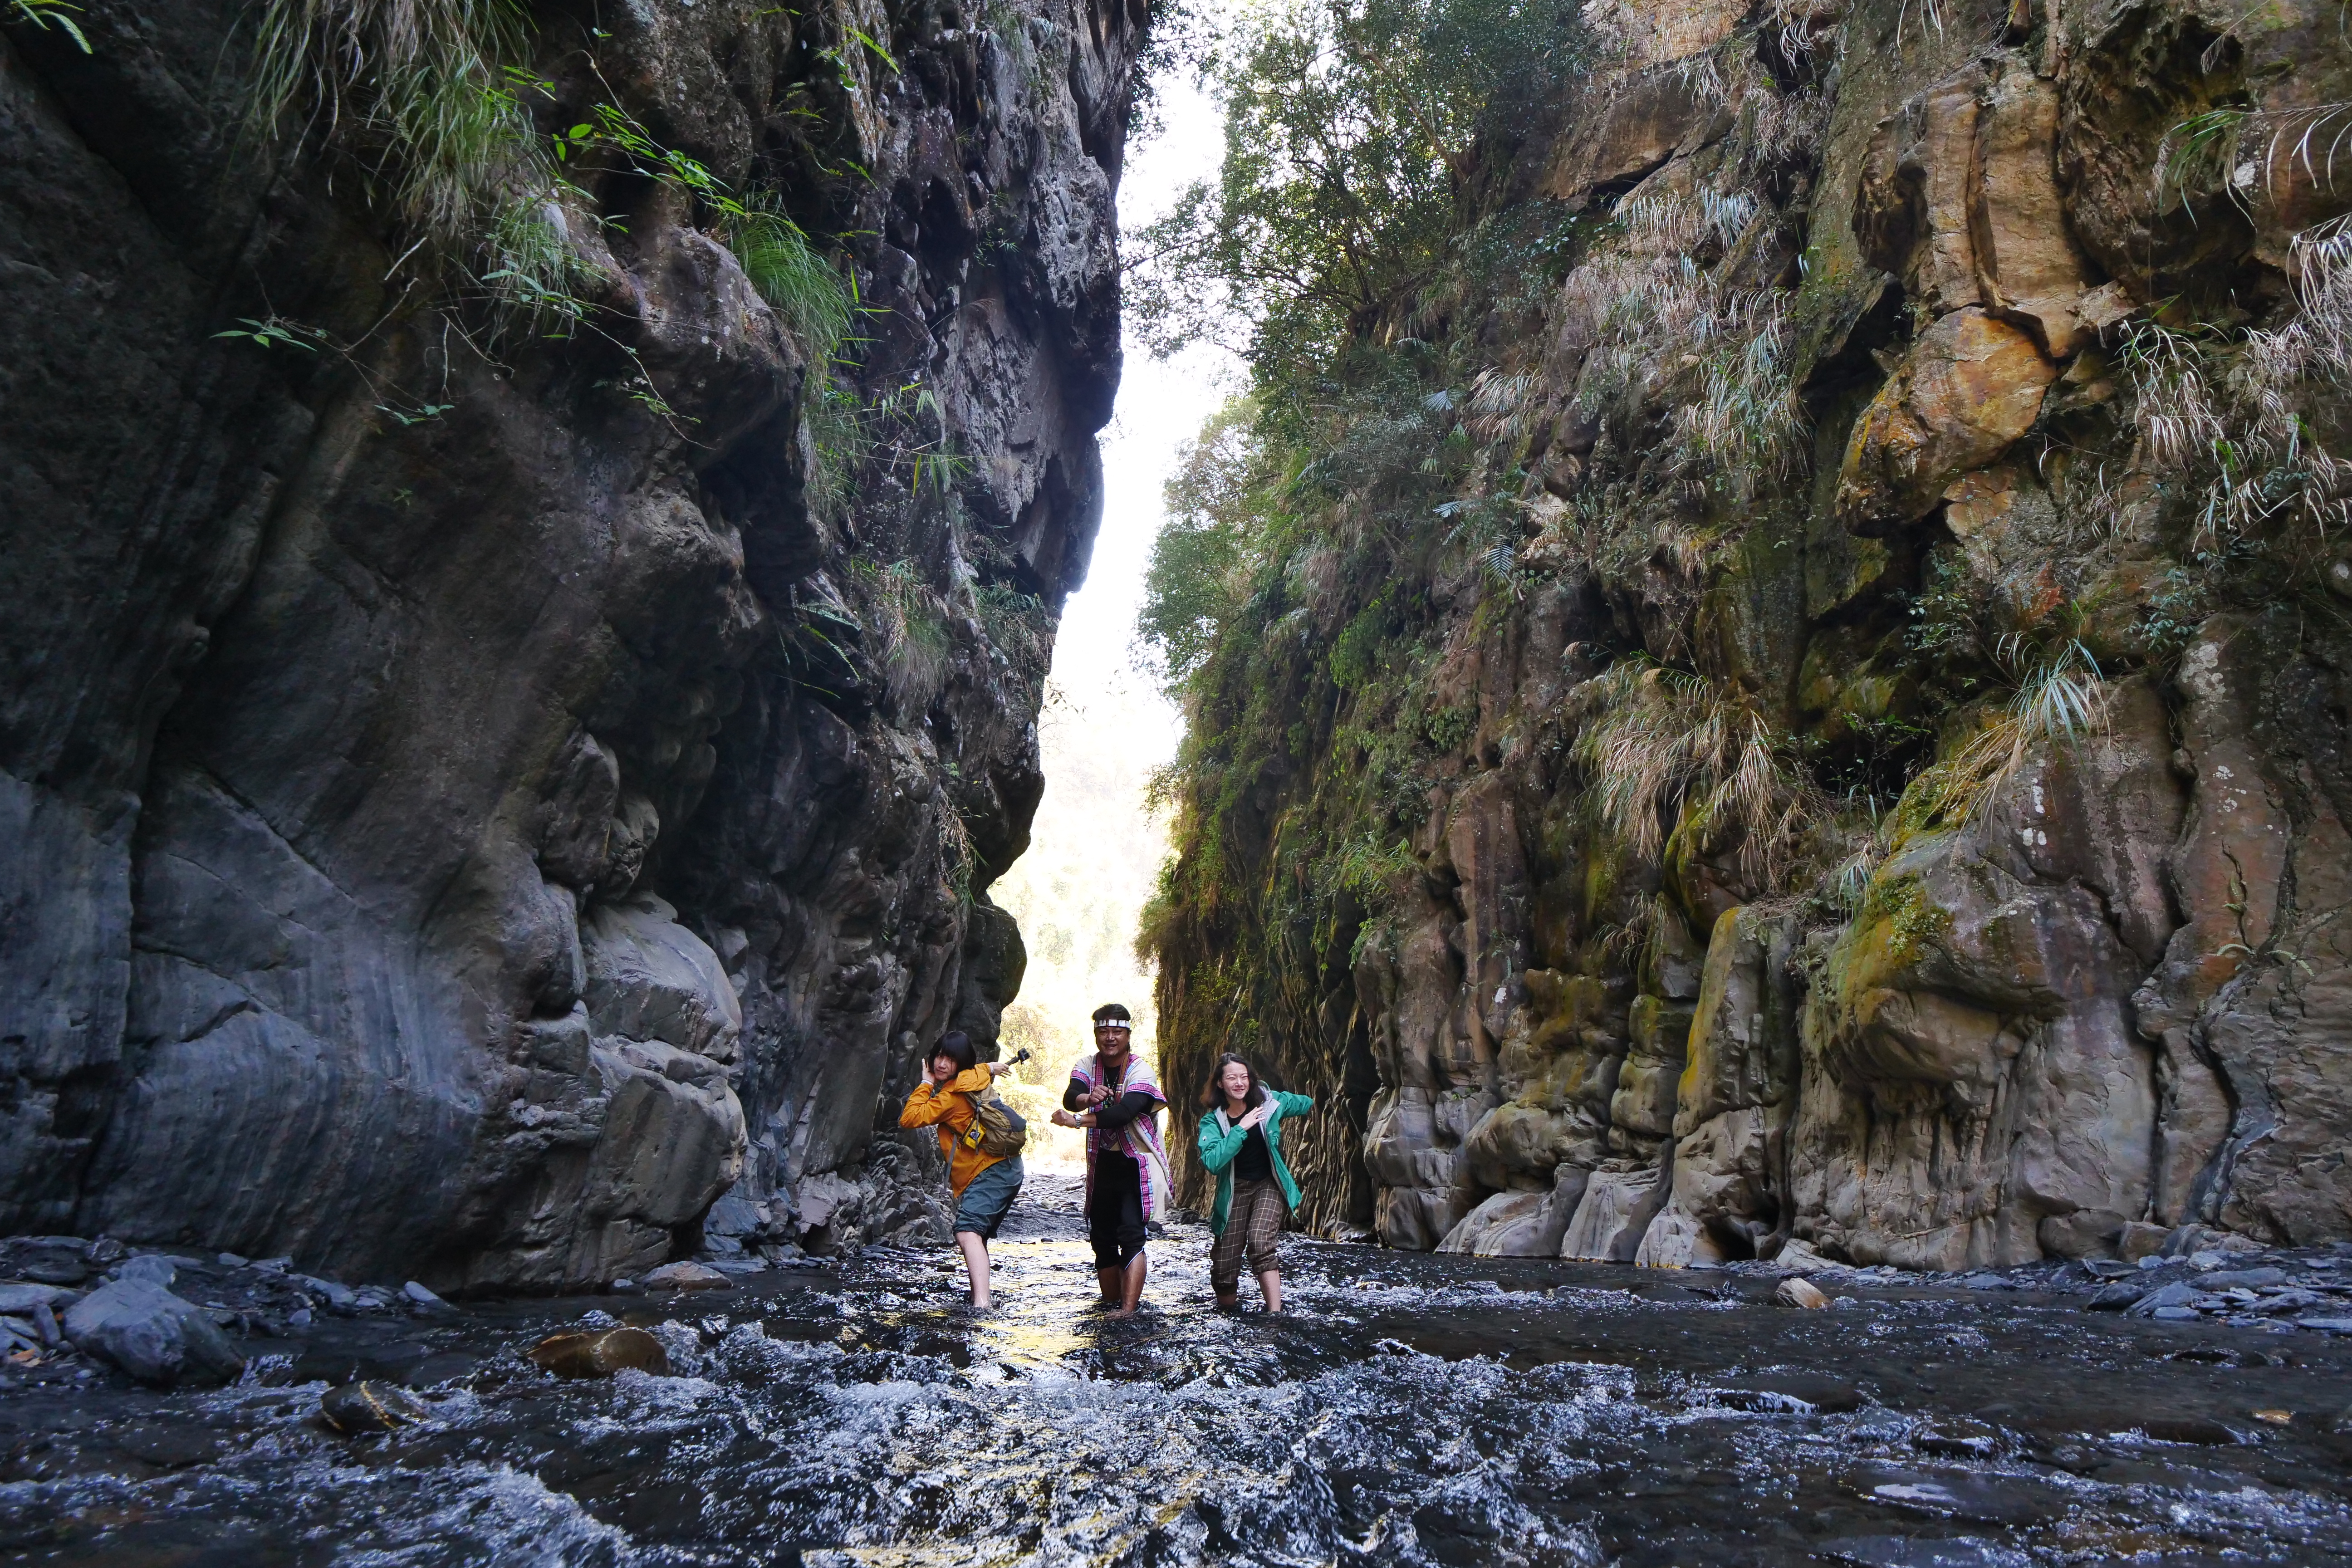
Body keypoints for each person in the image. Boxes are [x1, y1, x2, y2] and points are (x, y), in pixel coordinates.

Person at [1051, 1004, 1170, 1317]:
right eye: (1104, 1031)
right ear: (1096, 1035)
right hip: (1103, 1163)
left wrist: (1076, 1121)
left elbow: (1124, 1113)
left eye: (1117, 1032)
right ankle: (1111, 1305)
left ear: (1128, 1035)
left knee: (1131, 1233)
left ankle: (1128, 1310)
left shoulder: (1141, 1070)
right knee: (1102, 1237)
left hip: (1135, 1165)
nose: (1110, 1038)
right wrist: (1085, 1100)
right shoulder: (1088, 1065)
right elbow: (1071, 1094)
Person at [897, 1030, 1025, 1308]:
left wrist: (925, 1083)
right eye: (939, 1056)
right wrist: (992, 1066)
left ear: (961, 1063)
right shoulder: (973, 1077)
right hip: (1007, 1166)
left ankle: (982, 1306)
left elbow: (909, 1118)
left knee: (967, 1232)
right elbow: (984, 1069)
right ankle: (980, 1296)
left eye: (950, 1060)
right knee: (977, 1236)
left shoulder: (950, 1097)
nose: (942, 1064)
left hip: (992, 1170)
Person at [1197, 1053, 1316, 1313]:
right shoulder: (1212, 1122)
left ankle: (1275, 1314)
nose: (1239, 1083)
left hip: (1269, 1184)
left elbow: (1302, 1103)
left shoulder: (1269, 1104)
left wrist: (1317, 1102)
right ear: (1220, 1083)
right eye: (1232, 1078)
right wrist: (1242, 1128)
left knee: (1261, 1241)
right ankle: (1227, 1316)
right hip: (1235, 1190)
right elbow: (1213, 1162)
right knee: (1225, 1266)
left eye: (1244, 1077)